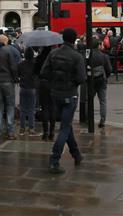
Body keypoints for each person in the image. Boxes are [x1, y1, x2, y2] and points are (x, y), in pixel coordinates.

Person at [42, 28, 86, 174]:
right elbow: (81, 78)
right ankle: (54, 160)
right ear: (74, 40)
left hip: (56, 94)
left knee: (67, 126)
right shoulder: (77, 56)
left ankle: (76, 155)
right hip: (70, 94)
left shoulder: (53, 53)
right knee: (65, 128)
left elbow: (44, 72)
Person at [88, 37, 112, 127]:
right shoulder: (104, 56)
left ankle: (88, 119)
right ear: (98, 46)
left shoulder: (88, 56)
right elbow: (109, 69)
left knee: (89, 100)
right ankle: (102, 121)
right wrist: (106, 76)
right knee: (103, 101)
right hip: (102, 80)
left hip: (91, 81)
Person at [34, 46, 56, 141]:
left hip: (43, 83)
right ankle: (52, 132)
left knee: (45, 108)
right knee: (53, 108)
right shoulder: (54, 57)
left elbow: (35, 71)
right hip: (53, 83)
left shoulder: (39, 58)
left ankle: (45, 132)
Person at [18, 46, 39, 135]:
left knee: (23, 109)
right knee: (31, 109)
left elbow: (18, 73)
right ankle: (31, 128)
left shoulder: (21, 64)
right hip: (32, 87)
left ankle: (22, 128)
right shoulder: (35, 64)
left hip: (23, 87)